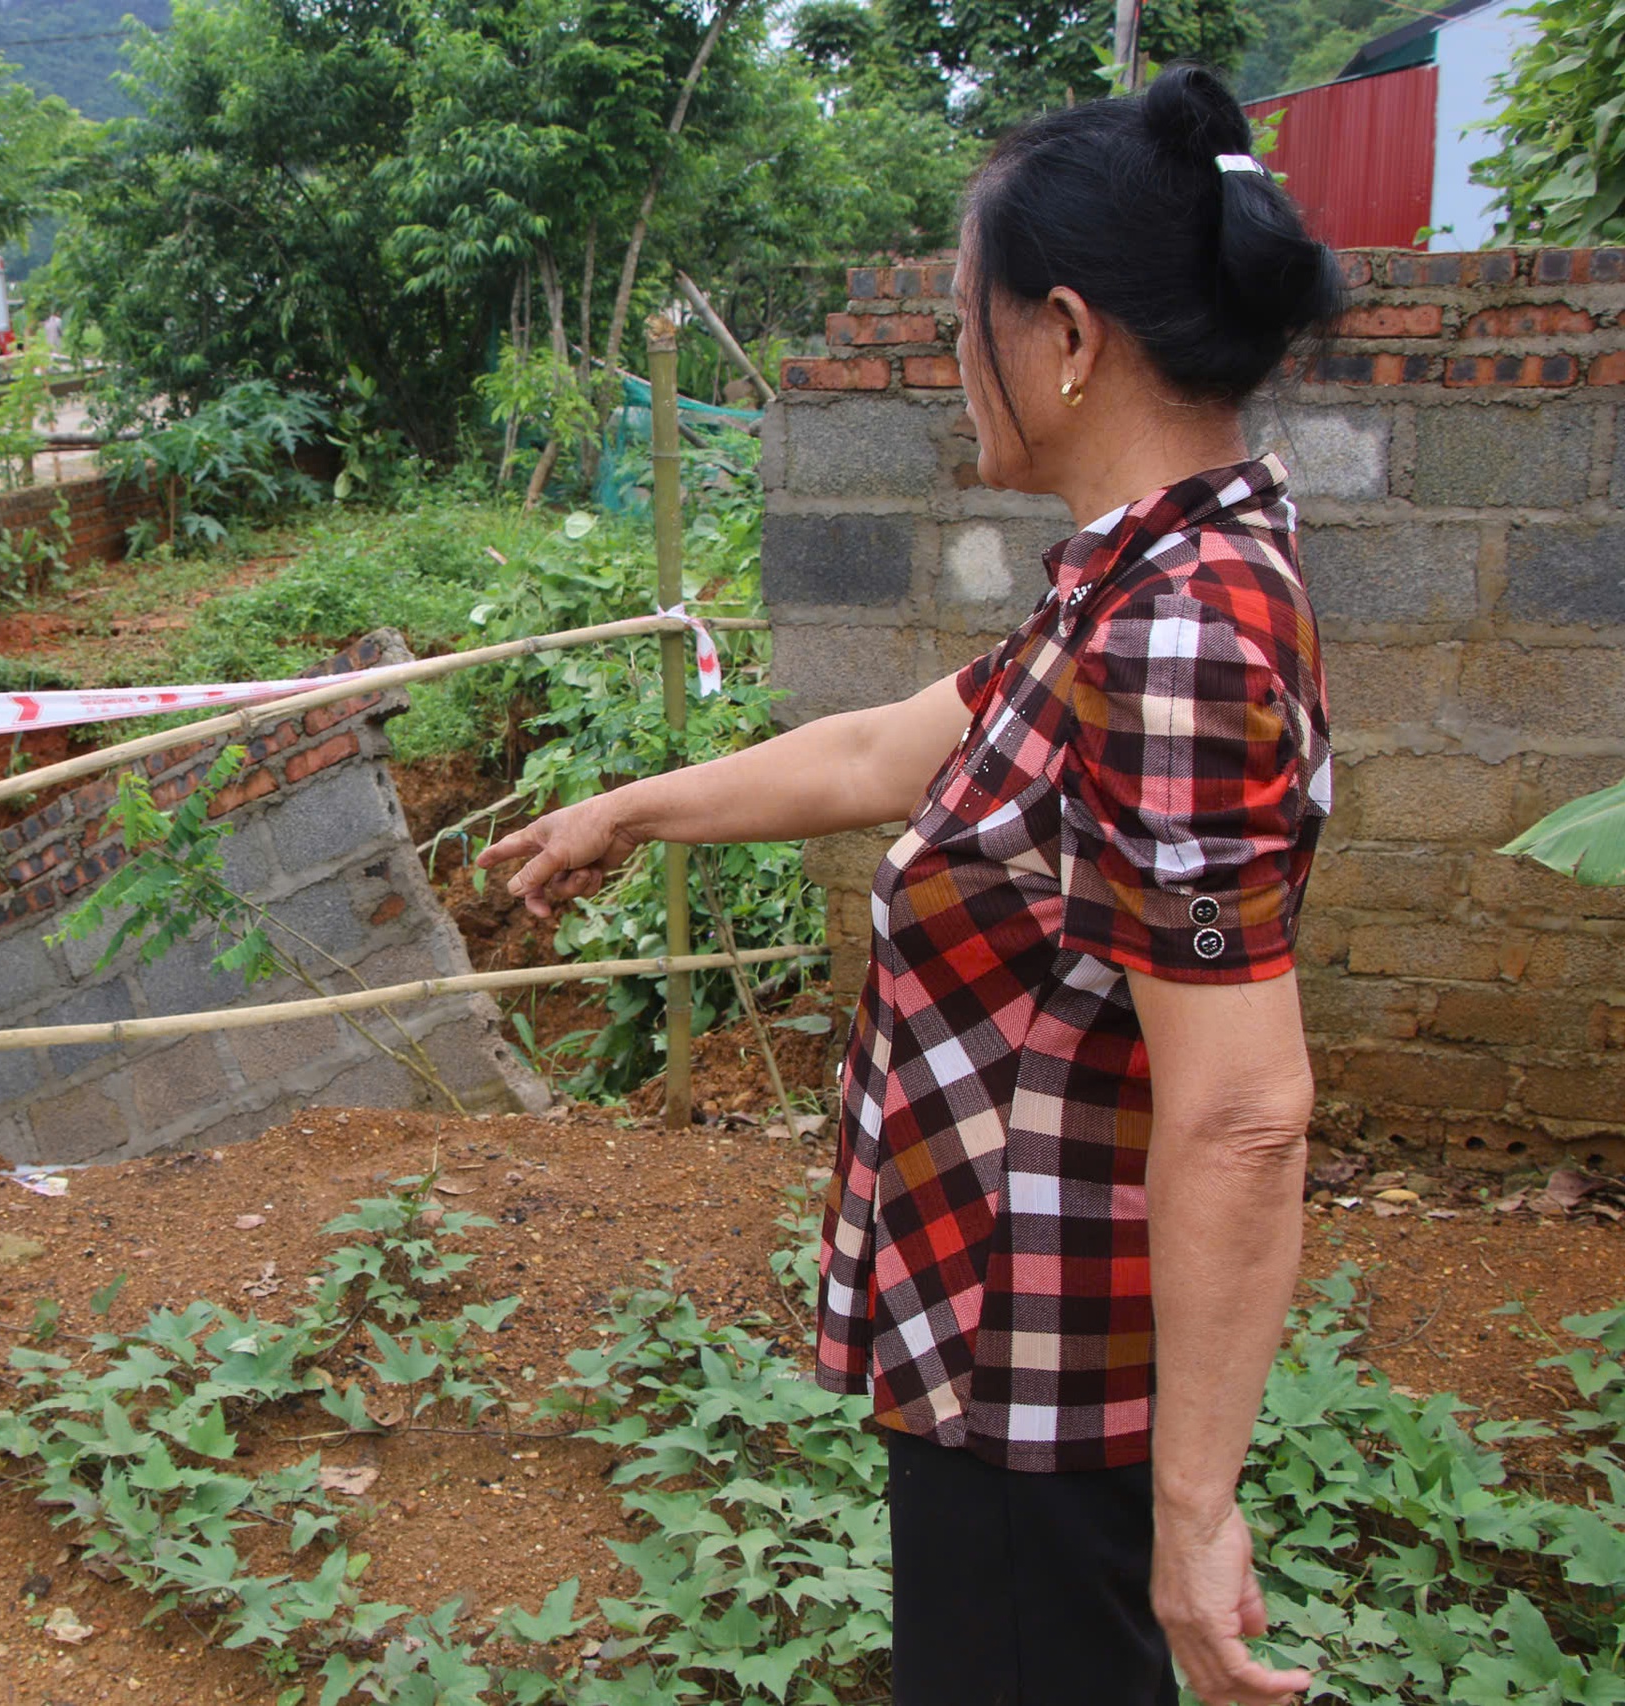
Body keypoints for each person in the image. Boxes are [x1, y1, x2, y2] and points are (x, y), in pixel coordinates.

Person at [480, 63, 1342, 1706]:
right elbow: (893, 749)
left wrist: (1195, 1507)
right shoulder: (1138, 583)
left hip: (1049, 1380)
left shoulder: (1173, 627)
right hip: (996, 1346)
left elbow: (1245, 1109)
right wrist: (627, 809)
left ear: (1071, 339)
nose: (960, 364)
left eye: (971, 321)